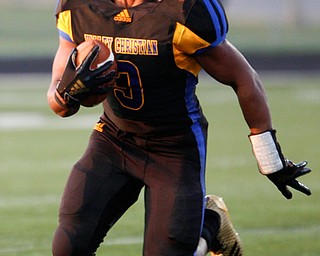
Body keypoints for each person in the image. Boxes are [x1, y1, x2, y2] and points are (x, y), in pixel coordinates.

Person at [47, 0, 312, 255]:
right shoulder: (79, 7)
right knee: (68, 246)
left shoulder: (182, 10)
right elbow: (59, 103)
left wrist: (269, 157)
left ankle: (210, 225)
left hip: (173, 149)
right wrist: (67, 94)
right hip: (113, 140)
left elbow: (243, 78)